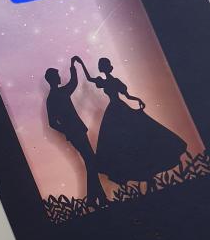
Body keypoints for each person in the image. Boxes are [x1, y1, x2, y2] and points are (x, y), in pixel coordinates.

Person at [76, 56, 187, 194]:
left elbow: (127, 95)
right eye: (103, 65)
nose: (104, 67)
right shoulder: (106, 81)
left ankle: (148, 176)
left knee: (135, 138)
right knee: (123, 141)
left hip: (119, 109)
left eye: (104, 65)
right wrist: (81, 63)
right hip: (116, 110)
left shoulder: (115, 81)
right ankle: (145, 176)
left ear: (106, 68)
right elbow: (90, 79)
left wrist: (138, 100)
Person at [45, 57, 108, 208]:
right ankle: (94, 199)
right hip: (76, 133)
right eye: (57, 75)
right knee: (91, 162)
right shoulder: (56, 96)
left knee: (91, 162)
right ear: (53, 79)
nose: (60, 77)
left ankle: (99, 199)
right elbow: (52, 122)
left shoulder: (56, 95)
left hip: (76, 131)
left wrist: (73, 66)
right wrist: (67, 130)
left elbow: (73, 83)